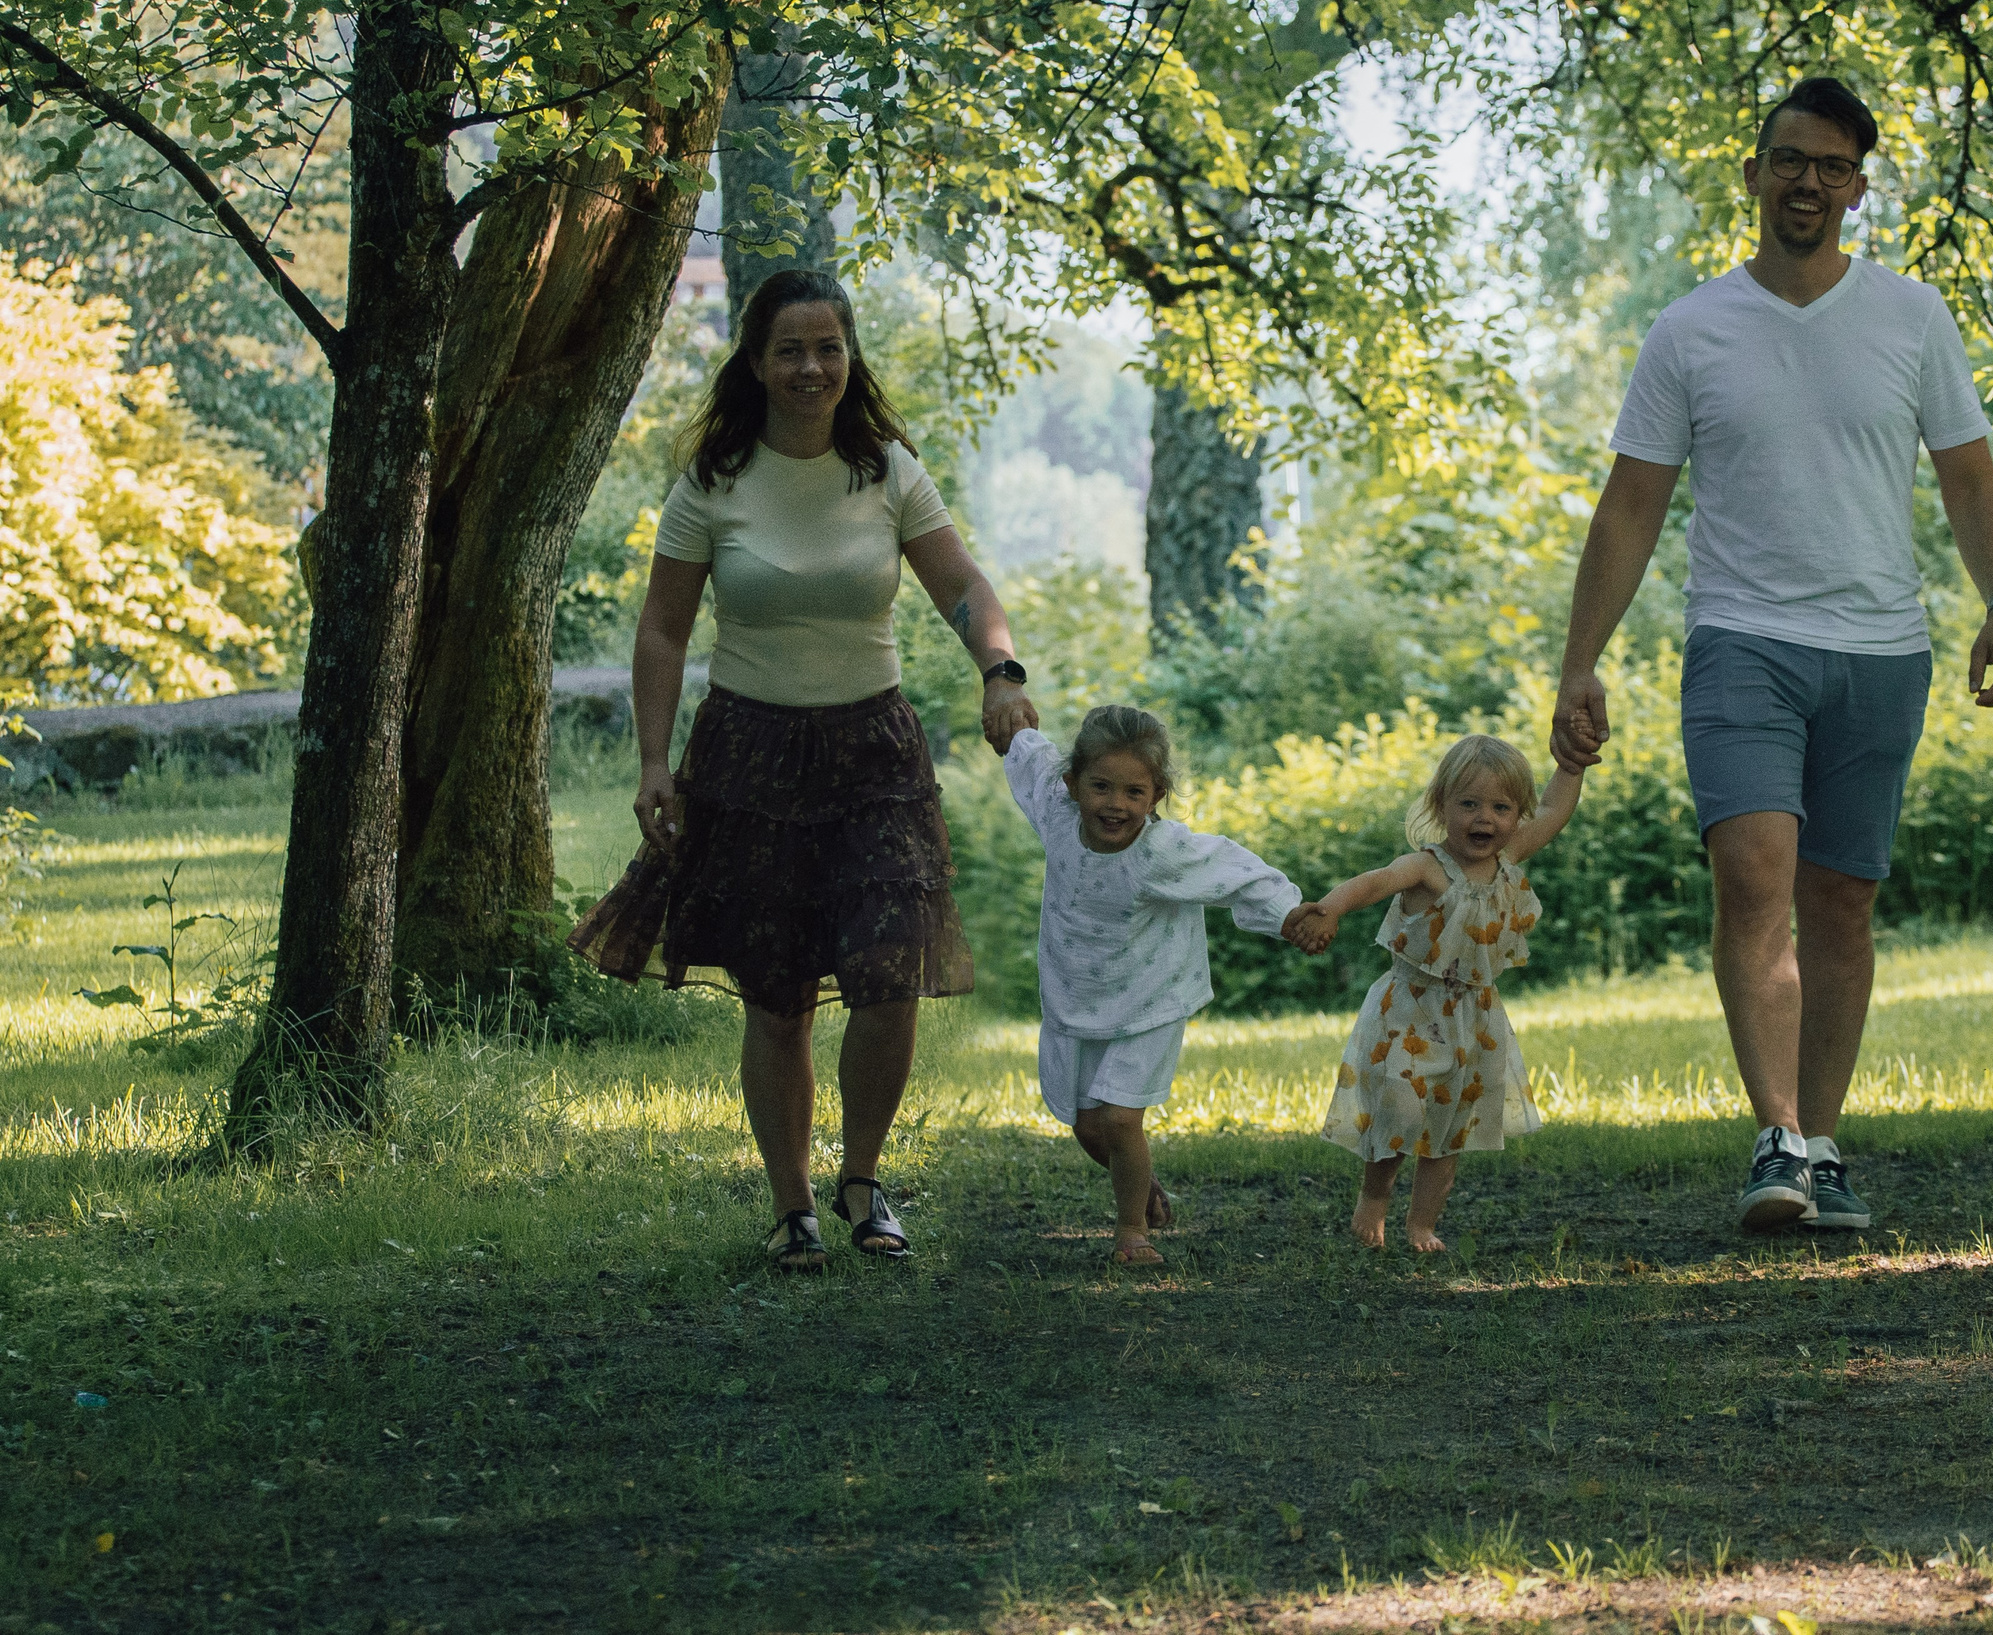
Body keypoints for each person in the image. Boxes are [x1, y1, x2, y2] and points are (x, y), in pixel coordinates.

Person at [1548, 76, 1993, 1235]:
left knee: (1842, 903)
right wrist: (1579, 663)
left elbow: (1968, 476)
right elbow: (1628, 510)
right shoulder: (1691, 327)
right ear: (1754, 176)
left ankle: (1819, 1148)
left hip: (1880, 650)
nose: (1807, 181)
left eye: (1831, 166)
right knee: (1753, 874)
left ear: (1857, 188)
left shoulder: (1911, 317)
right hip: (1740, 642)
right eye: (1789, 161)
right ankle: (1773, 1134)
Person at [571, 269, 1039, 1271]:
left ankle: (865, 1183)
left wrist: (999, 672)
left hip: (873, 751)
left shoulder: (886, 472)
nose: (812, 366)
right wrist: (654, 763)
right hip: (749, 754)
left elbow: (961, 586)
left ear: (849, 356)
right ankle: (792, 1210)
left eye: (829, 346)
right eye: (790, 348)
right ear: (755, 360)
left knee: (889, 976)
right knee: (776, 993)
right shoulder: (714, 479)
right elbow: (661, 629)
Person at [999, 705, 1302, 1265]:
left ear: (1156, 794)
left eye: (1134, 792)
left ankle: (1131, 1232)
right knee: (1089, 1129)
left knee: (1119, 1117)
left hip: (1152, 1000)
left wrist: (1290, 916)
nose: (1116, 804)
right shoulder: (1058, 815)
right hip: (1077, 998)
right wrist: (1010, 723)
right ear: (1074, 785)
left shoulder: (1162, 850)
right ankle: (1141, 1188)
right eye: (1101, 787)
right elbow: (1031, 761)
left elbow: (1234, 869)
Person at [1286, 734, 1585, 1251]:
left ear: (1517, 815)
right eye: (1468, 804)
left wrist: (1573, 763)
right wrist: (1329, 909)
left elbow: (1557, 807)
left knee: (1452, 1126)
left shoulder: (1509, 858)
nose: (1483, 819)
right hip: (1410, 1007)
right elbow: (1374, 882)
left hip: (1476, 1015)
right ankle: (1374, 1199)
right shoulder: (1426, 866)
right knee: (1400, 1108)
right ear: (1441, 806)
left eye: (1500, 807)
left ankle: (1421, 1224)